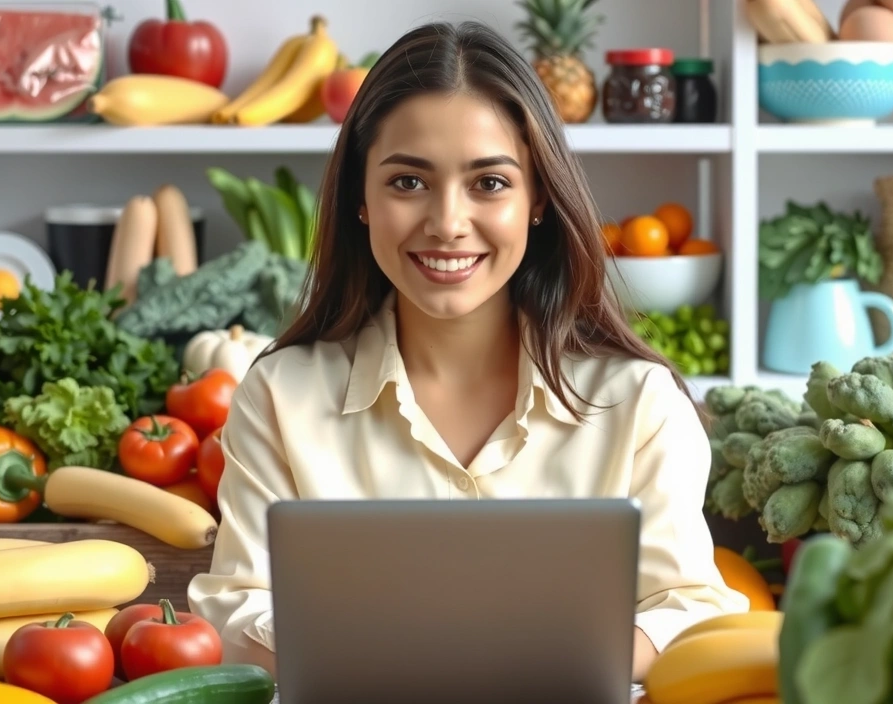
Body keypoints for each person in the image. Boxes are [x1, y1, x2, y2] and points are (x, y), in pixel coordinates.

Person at [186, 18, 748, 684]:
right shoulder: (280, 394)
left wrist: (520, 669)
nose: (448, 223)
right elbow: (234, 610)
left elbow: (689, 608)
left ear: (538, 197)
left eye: (489, 184)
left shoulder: (639, 404)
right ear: (360, 198)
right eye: (408, 183)